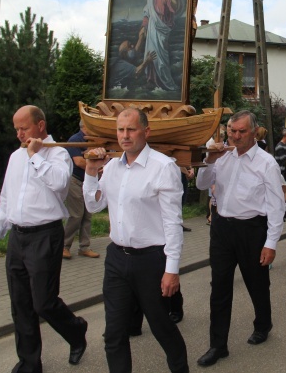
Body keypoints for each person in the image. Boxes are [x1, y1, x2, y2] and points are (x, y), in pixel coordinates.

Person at [83, 108, 188, 373]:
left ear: (146, 131)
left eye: (131, 129)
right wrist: (91, 173)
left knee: (161, 326)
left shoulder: (163, 167)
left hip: (151, 260)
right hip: (117, 259)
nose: (125, 135)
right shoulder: (112, 168)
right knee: (114, 333)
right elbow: (94, 207)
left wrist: (171, 270)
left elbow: (172, 223)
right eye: (120, 130)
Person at [0, 105, 88, 372]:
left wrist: (35, 155)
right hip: (18, 237)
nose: (19, 134)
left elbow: (59, 184)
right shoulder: (15, 157)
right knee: (20, 304)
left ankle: (76, 331)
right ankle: (30, 363)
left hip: (45, 235)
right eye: (16, 129)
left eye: (24, 128)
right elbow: (6, 198)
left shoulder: (58, 154)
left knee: (43, 302)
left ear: (40, 126)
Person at [195, 110, 284, 366]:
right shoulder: (222, 156)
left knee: (257, 283)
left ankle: (263, 324)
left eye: (241, 132)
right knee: (219, 289)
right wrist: (209, 159)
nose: (235, 136)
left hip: (252, 230)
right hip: (222, 229)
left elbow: (276, 206)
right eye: (231, 131)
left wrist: (271, 243)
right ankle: (218, 345)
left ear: (254, 132)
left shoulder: (266, 163)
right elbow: (202, 184)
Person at [137, 0, 185, 91]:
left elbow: (175, 8)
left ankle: (166, 83)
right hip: (152, 26)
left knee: (161, 58)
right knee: (150, 53)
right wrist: (144, 26)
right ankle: (151, 81)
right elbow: (147, 11)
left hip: (163, 28)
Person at [63, 121, 99, 259]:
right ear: (84, 127)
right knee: (76, 214)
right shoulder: (75, 140)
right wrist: (95, 167)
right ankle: (64, 246)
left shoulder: (94, 141)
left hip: (87, 182)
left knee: (87, 215)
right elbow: (78, 162)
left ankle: (84, 247)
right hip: (75, 181)